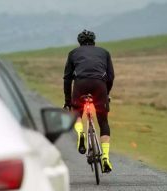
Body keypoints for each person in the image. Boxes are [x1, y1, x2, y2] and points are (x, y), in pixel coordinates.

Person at [63, 29, 114, 173]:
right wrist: (106, 93)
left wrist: (68, 100)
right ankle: (105, 157)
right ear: (94, 41)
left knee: (77, 113)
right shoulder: (104, 52)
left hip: (80, 85)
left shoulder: (73, 53)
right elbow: (111, 76)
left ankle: (80, 134)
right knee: (103, 122)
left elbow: (67, 78)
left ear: (79, 43)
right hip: (99, 85)